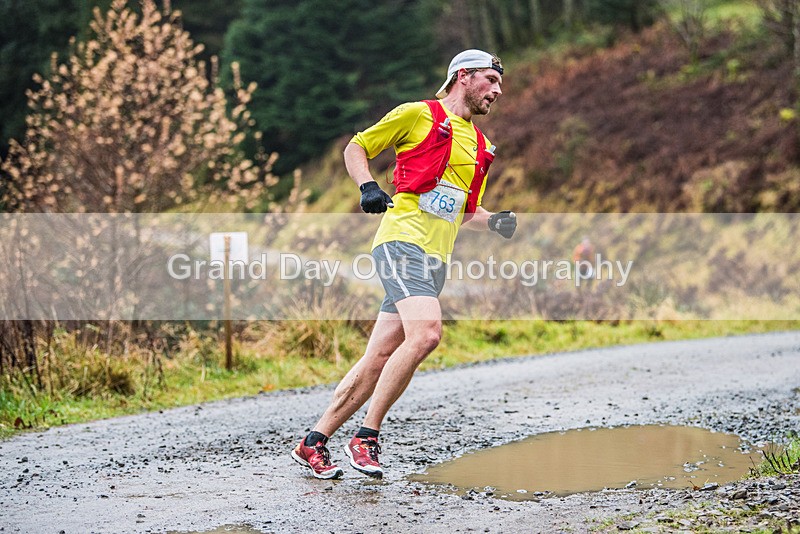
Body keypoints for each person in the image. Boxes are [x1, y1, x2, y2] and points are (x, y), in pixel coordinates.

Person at [291, 49, 517, 479]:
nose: (498, 91)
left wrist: (496, 221)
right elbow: (357, 146)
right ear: (463, 77)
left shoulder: (482, 146)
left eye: (500, 84)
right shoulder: (417, 114)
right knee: (428, 333)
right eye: (491, 80)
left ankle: (313, 442)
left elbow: (464, 211)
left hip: (436, 259)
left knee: (377, 357)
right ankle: (367, 437)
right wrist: (367, 186)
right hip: (401, 243)